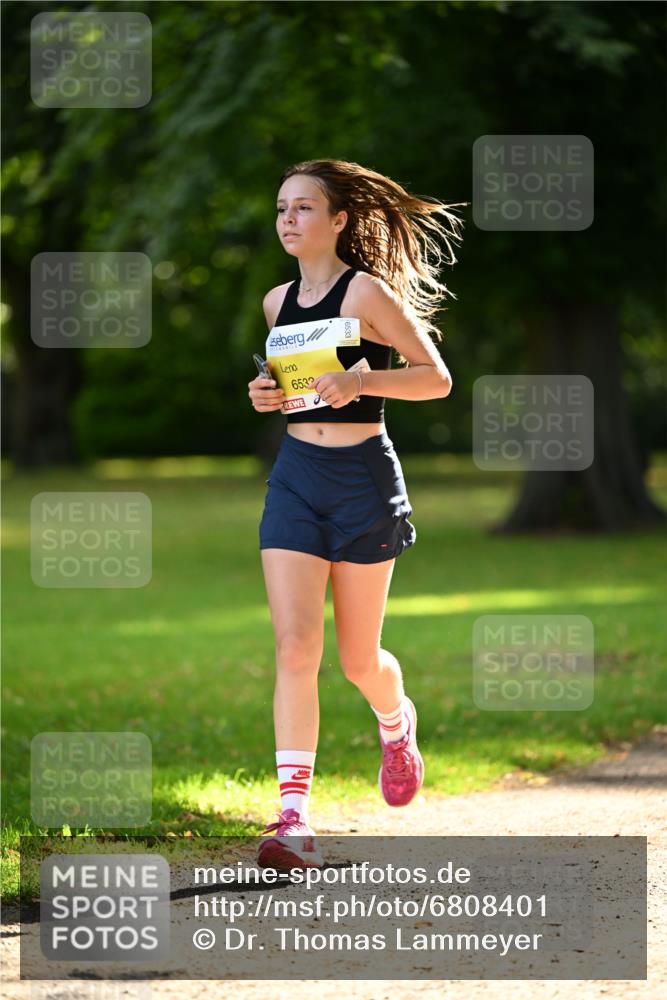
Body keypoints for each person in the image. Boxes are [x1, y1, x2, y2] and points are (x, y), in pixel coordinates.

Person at [247, 159, 465, 870]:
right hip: (295, 478)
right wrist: (266, 393)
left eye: (304, 207)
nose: (288, 219)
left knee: (357, 660)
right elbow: (295, 388)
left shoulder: (364, 291)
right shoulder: (276, 302)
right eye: (282, 208)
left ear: (338, 220)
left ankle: (395, 724)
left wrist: (363, 378)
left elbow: (435, 379)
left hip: (363, 480)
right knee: (294, 647)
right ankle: (293, 818)